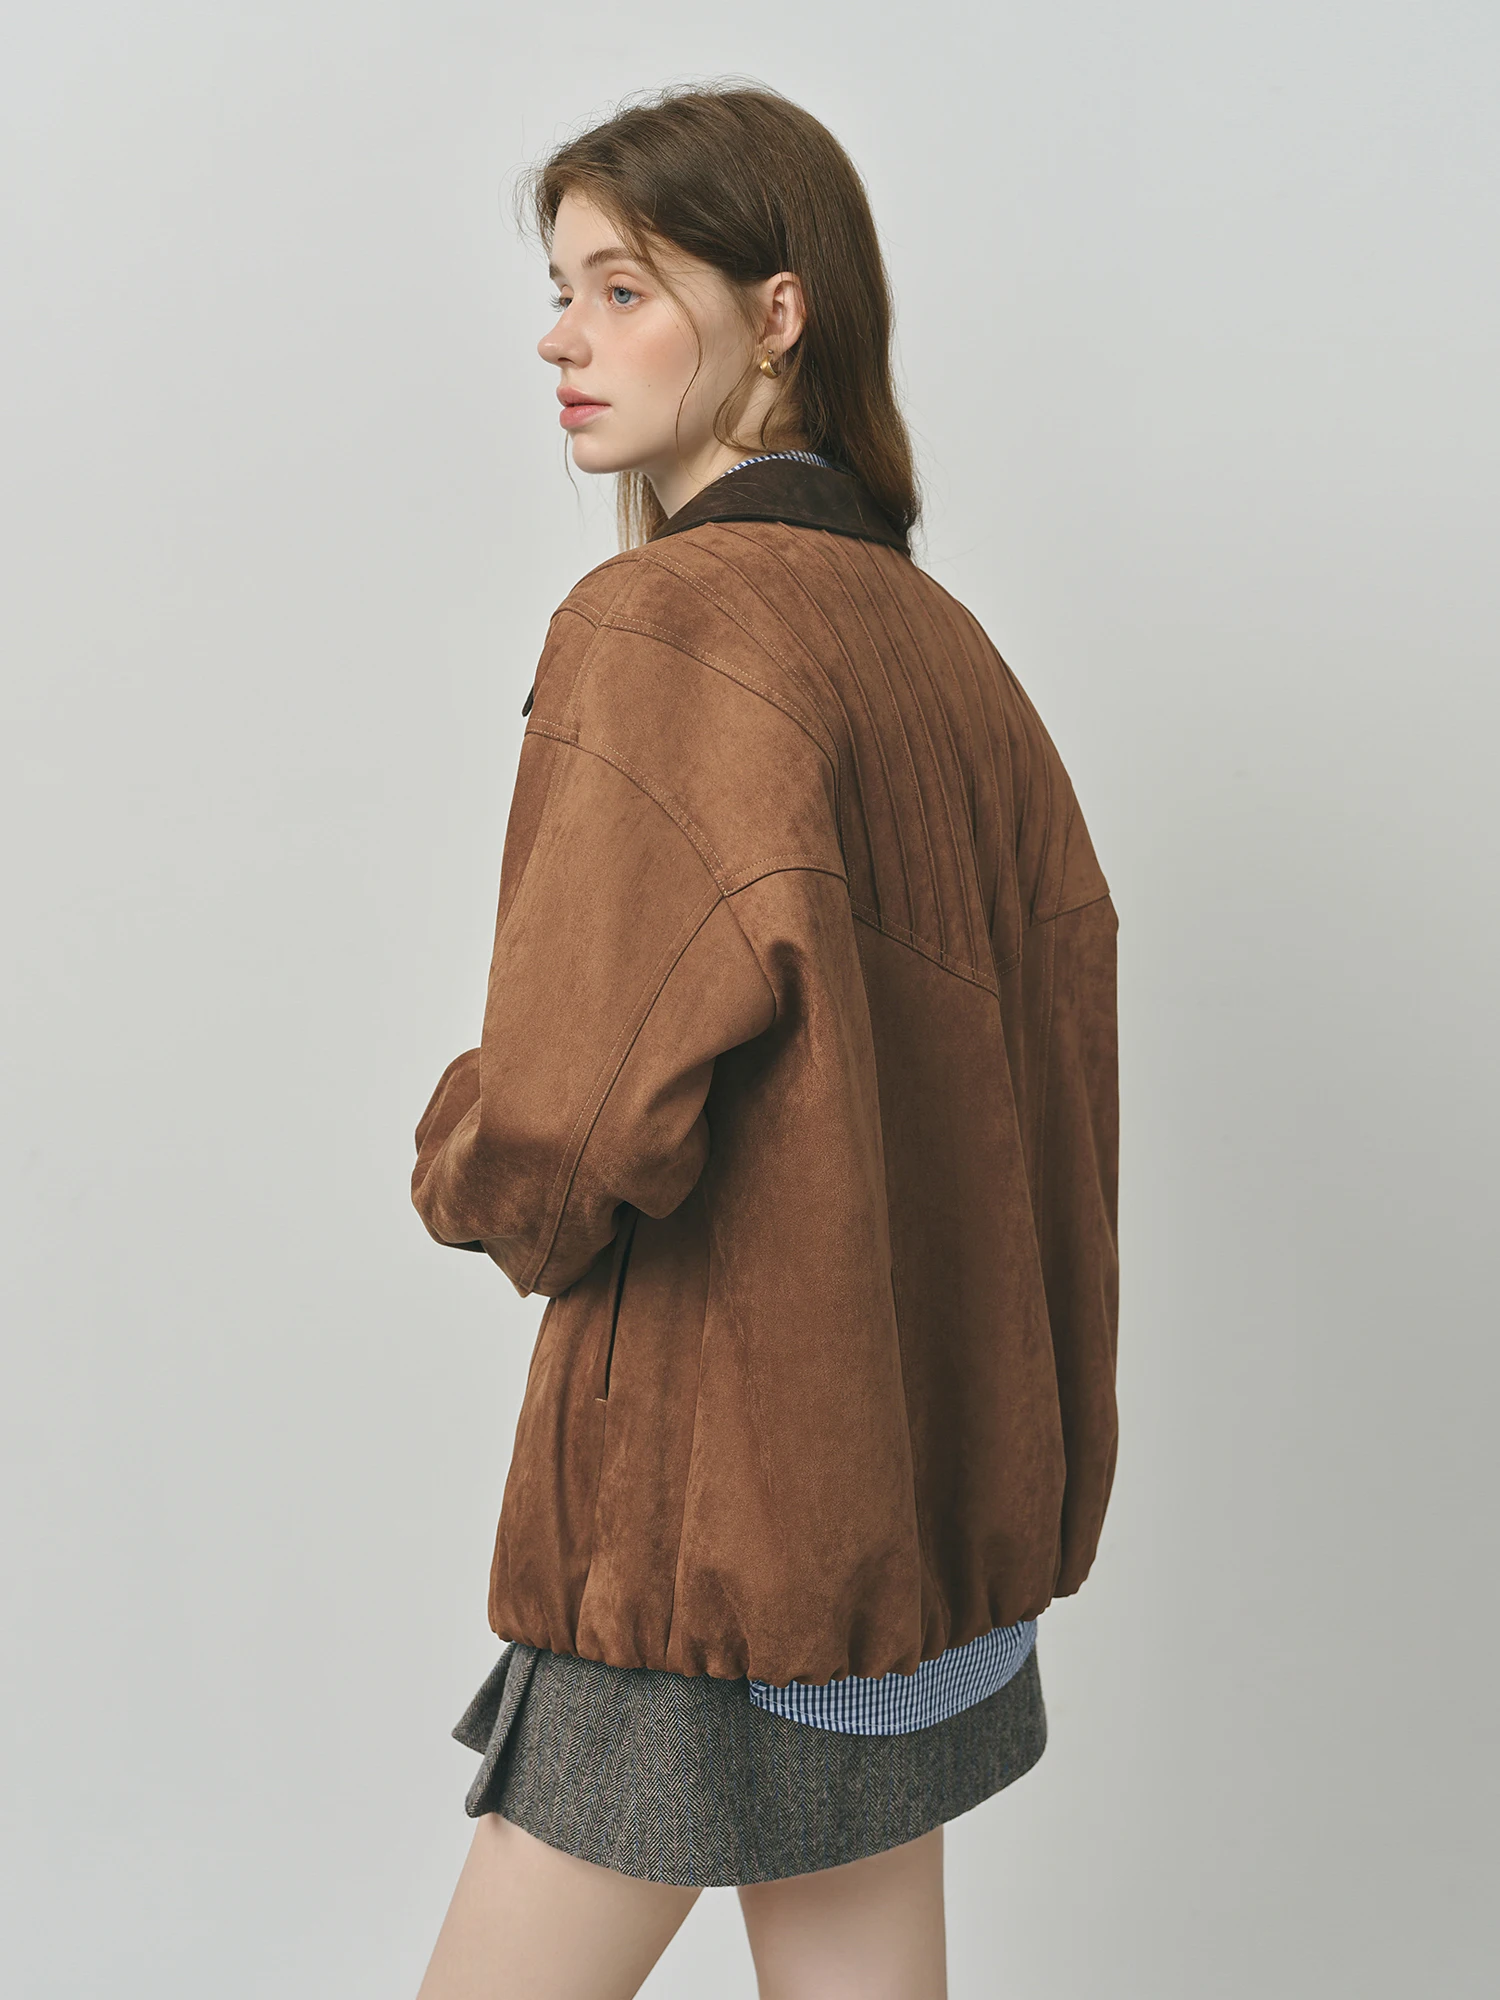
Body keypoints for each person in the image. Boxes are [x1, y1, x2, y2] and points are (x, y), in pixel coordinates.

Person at [410, 82, 1119, 2000]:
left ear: (779, 313)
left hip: (711, 1542)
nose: (562, 340)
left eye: (623, 288)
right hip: (916, 1537)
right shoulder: (948, 656)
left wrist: (457, 1148)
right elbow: (1055, 1095)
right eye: (559, 291)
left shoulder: (668, 626)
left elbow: (563, 1132)